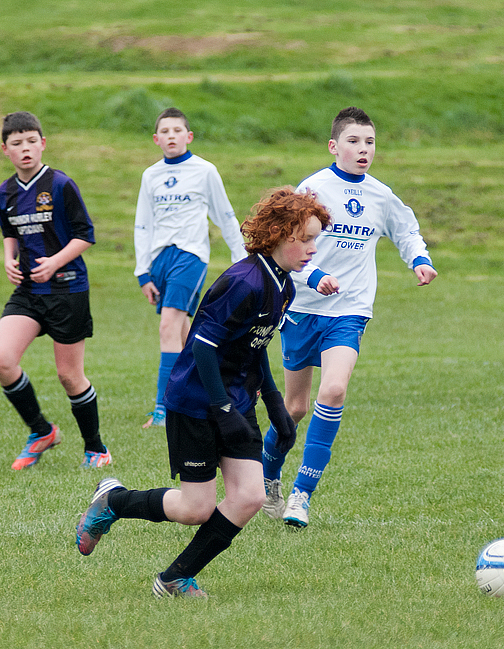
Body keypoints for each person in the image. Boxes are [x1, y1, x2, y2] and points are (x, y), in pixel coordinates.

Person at [76, 187, 331, 598]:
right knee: (195, 509)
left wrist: (276, 407)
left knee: (247, 497)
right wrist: (224, 408)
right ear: (280, 234)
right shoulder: (243, 281)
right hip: (197, 401)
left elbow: (255, 347)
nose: (313, 249)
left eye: (316, 238)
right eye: (306, 238)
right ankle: (114, 501)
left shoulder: (283, 285)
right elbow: (203, 347)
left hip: (233, 400)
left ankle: (174, 578)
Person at [260, 107, 438, 529]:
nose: (363, 150)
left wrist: (420, 258)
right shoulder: (313, 190)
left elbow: (406, 229)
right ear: (333, 146)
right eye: (354, 142)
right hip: (302, 308)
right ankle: (268, 477)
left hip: (349, 311)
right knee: (295, 408)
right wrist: (316, 275)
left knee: (335, 390)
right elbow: (288, 245)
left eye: (370, 142)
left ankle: (302, 495)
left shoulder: (380, 195)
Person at [0, 111, 111, 470]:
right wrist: (9, 259)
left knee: (69, 375)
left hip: (67, 289)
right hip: (28, 292)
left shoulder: (60, 185)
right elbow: (9, 231)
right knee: (1, 360)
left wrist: (55, 262)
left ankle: (96, 449)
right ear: (5, 149)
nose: (25, 148)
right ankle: (41, 431)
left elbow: (85, 235)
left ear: (43, 143)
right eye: (17, 143)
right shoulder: (5, 192)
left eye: (31, 141)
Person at [134, 107, 247, 429]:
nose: (171, 136)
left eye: (177, 130)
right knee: (184, 336)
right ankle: (205, 395)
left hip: (190, 256)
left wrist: (241, 258)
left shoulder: (205, 171)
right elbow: (143, 224)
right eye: (165, 132)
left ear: (189, 136)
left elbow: (224, 215)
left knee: (168, 327)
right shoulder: (150, 175)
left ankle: (163, 409)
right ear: (156, 139)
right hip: (160, 259)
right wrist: (143, 271)